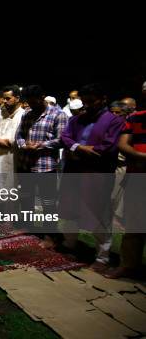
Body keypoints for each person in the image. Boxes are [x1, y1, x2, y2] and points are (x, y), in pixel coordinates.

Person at [59, 83, 125, 267]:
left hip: (97, 173)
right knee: (70, 207)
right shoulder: (77, 119)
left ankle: (102, 255)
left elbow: (107, 146)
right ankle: (69, 243)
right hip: (74, 170)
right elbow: (65, 136)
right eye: (85, 101)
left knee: (99, 212)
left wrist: (82, 150)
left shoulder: (113, 120)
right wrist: (78, 147)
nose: (88, 105)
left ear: (103, 99)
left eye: (91, 101)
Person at [106, 81, 146, 279]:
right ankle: (129, 265)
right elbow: (123, 144)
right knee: (134, 225)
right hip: (137, 176)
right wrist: (142, 157)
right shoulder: (135, 118)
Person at [15, 85, 67, 233]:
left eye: (34, 102)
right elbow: (18, 135)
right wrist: (24, 145)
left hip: (46, 165)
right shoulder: (27, 114)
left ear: (42, 98)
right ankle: (27, 225)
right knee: (26, 197)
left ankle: (50, 232)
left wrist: (40, 145)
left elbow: (62, 140)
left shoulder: (58, 114)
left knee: (48, 201)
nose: (31, 105)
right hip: (25, 163)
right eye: (29, 102)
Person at [0, 85, 25, 193]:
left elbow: (16, 140)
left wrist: (0, 141)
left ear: (17, 98)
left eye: (8, 98)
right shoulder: (0, 113)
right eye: (3, 98)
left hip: (12, 157)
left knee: (10, 191)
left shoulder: (23, 115)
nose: (4, 101)